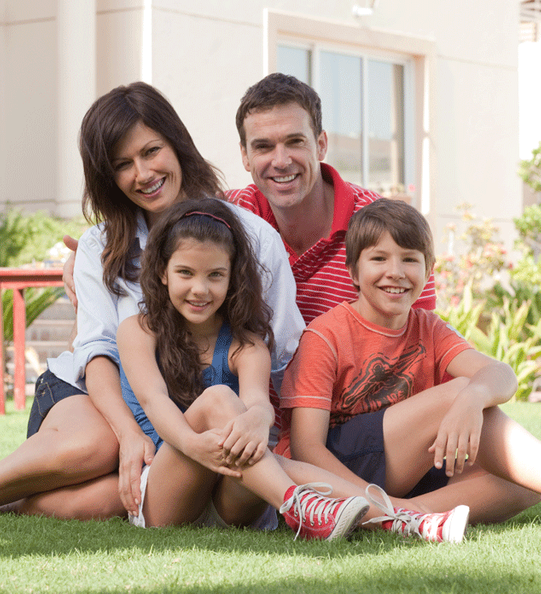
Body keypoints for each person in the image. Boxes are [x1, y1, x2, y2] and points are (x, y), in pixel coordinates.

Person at [0, 82, 305, 520]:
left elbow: (283, 353)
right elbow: (97, 351)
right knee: (98, 446)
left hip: (180, 421)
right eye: (122, 165)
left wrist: (272, 431)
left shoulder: (252, 237)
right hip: (94, 393)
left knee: (115, 500)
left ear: (177, 144)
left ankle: (14, 504)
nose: (142, 174)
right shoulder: (101, 246)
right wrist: (126, 433)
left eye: (151, 151)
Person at [116, 197, 371, 539]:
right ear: (163, 272)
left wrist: (259, 418)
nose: (199, 289)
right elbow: (153, 400)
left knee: (251, 434)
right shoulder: (139, 330)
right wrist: (192, 444)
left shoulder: (247, 344)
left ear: (232, 278)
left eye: (215, 275)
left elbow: (257, 402)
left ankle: (396, 519)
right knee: (222, 402)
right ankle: (306, 508)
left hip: (230, 497)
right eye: (185, 273)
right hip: (165, 493)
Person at [275, 198, 541, 526]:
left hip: (406, 468)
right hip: (337, 469)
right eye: (379, 258)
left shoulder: (428, 327)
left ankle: (410, 515)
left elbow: (501, 374)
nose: (396, 272)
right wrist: (370, 499)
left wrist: (473, 399)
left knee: (521, 478)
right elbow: (306, 450)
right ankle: (389, 512)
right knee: (457, 392)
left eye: (409, 259)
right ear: (353, 271)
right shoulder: (325, 335)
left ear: (428, 271)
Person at [227, 73, 436, 326]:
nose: (281, 161)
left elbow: (420, 338)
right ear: (245, 155)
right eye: (263, 147)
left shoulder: (387, 227)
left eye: (295, 142)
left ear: (321, 145)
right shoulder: (229, 215)